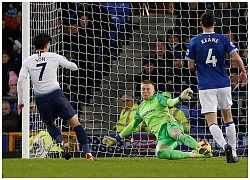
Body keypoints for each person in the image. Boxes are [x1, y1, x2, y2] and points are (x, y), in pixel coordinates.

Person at [17, 33, 96, 161]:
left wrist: (21, 101)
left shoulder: (28, 61)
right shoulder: (54, 57)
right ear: (47, 45)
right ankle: (88, 154)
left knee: (50, 125)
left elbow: (20, 81)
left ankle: (62, 142)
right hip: (56, 95)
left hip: (41, 100)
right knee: (75, 124)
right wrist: (64, 60)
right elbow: (74, 67)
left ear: (34, 46)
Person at [185, 11, 247, 163]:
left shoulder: (194, 41)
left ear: (200, 24)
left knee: (212, 121)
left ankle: (224, 145)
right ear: (215, 23)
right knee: (228, 118)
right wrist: (244, 72)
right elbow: (237, 58)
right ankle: (233, 152)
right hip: (223, 83)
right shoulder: (222, 39)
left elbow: (190, 65)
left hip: (206, 85)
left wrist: (199, 67)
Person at [102, 80, 212, 160]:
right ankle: (195, 154)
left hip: (169, 124)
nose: (145, 91)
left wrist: (179, 98)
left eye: (148, 89)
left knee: (175, 133)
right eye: (143, 89)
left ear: (153, 90)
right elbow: (133, 126)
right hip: (161, 135)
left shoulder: (158, 98)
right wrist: (116, 138)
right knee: (160, 153)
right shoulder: (140, 108)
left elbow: (170, 102)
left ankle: (200, 147)